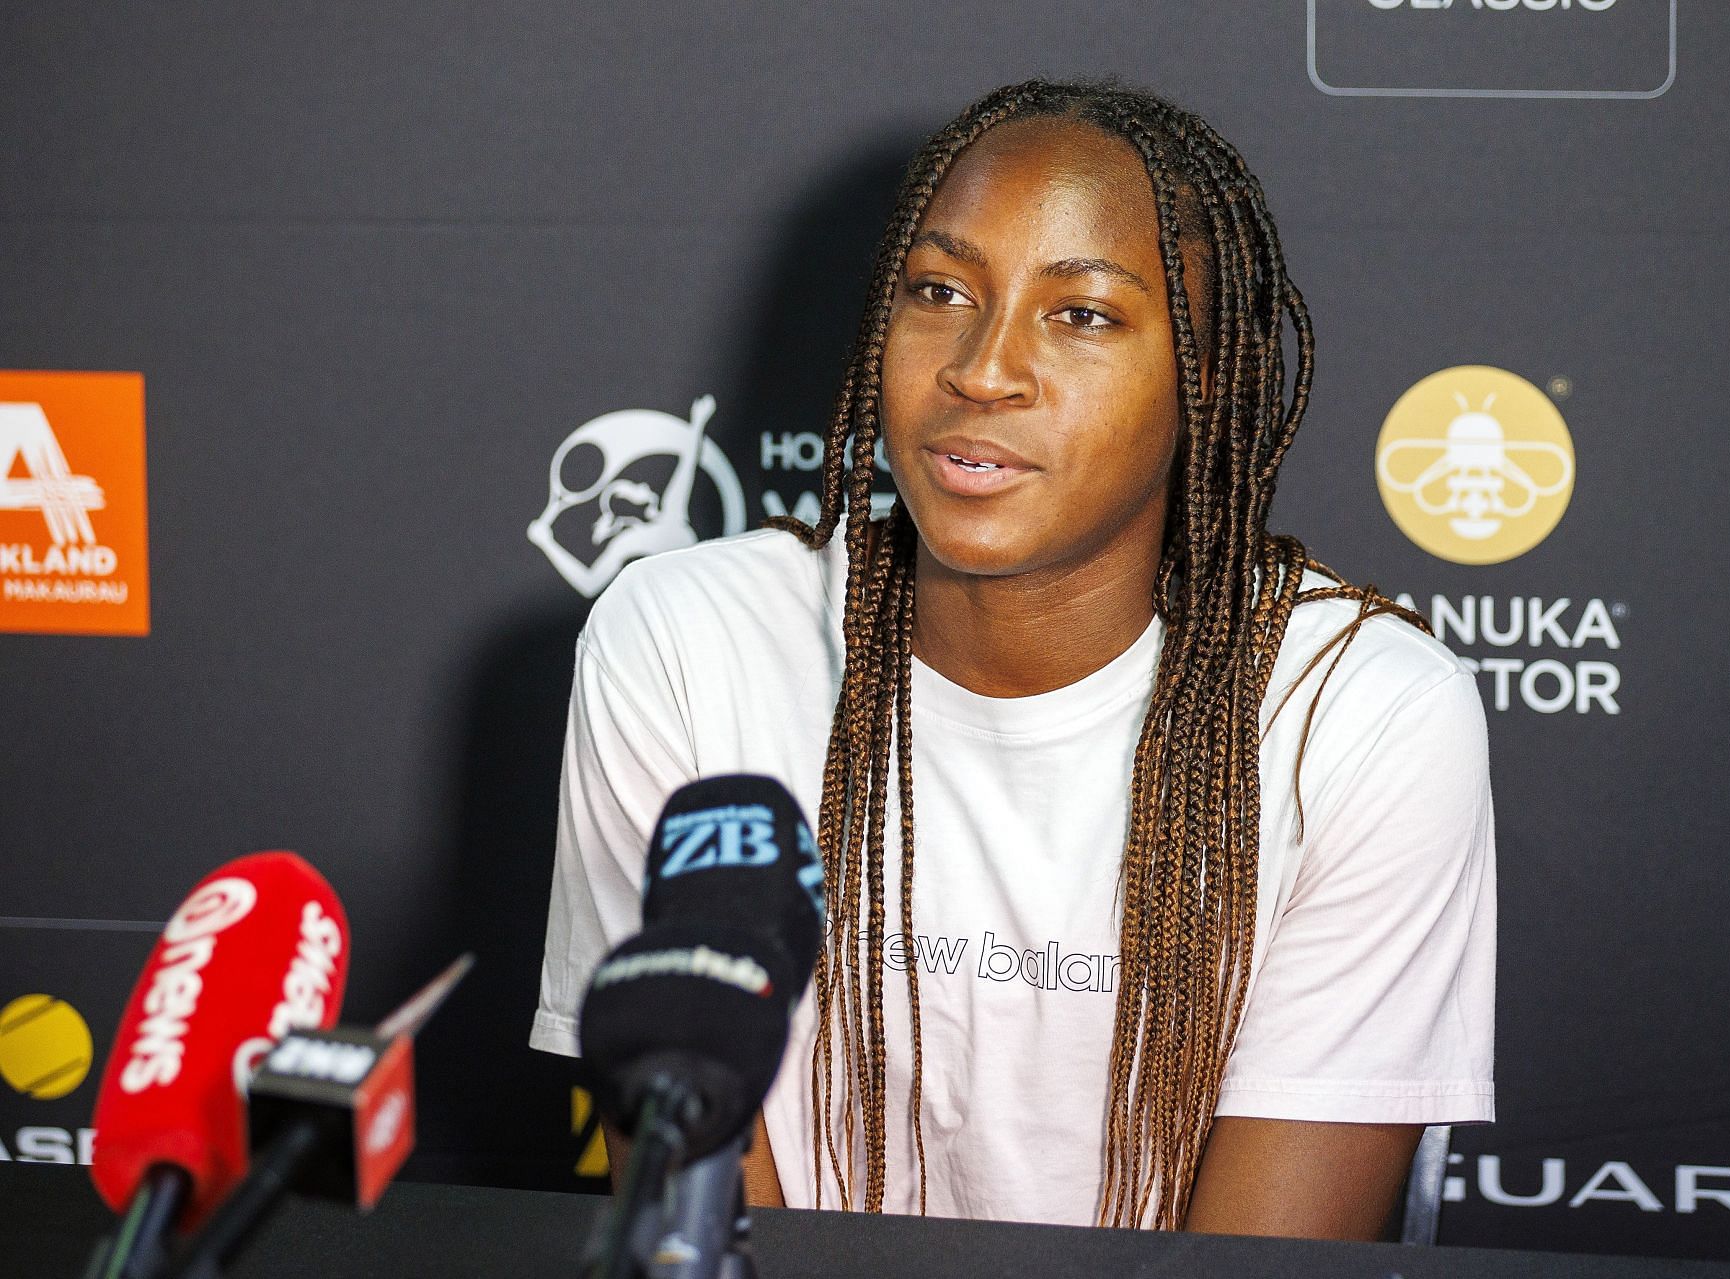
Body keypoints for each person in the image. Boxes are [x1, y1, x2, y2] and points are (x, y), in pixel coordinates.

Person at [532, 77, 1495, 1239]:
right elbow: (691, 1218)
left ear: (1210, 379)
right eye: (939, 291)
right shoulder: (683, 641)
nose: (983, 369)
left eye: (1082, 313)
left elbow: (1264, 1266)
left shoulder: (1362, 713)